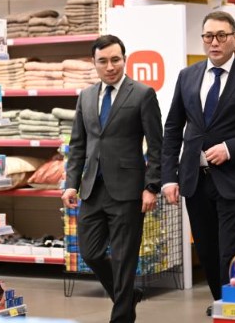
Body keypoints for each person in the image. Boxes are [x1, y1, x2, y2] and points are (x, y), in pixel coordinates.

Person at [162, 12, 235, 315]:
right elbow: (173, 127)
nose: (214, 42)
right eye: (208, 36)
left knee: (230, 251)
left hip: (234, 178)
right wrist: (169, 177)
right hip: (195, 179)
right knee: (207, 250)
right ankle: (221, 301)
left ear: (234, 38)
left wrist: (231, 148)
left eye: (221, 36)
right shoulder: (188, 76)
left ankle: (232, 307)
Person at [62, 35, 162, 323]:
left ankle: (121, 318)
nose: (110, 66)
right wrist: (71, 184)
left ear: (124, 59)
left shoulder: (142, 94)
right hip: (92, 189)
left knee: (123, 258)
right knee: (90, 253)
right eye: (103, 61)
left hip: (128, 191)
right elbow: (77, 145)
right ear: (94, 63)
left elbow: (157, 145)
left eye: (115, 60)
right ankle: (128, 295)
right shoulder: (86, 96)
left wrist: (151, 186)